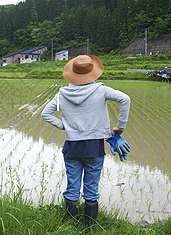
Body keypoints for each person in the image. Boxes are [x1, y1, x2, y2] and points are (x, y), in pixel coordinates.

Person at [41, 55, 131, 228]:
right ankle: (90, 226)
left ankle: (72, 226)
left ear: (72, 73)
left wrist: (63, 126)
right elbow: (125, 99)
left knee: (72, 185)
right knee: (91, 187)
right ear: (92, 73)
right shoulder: (101, 90)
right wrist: (120, 127)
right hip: (93, 147)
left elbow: (45, 113)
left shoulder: (62, 93)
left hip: (72, 147)